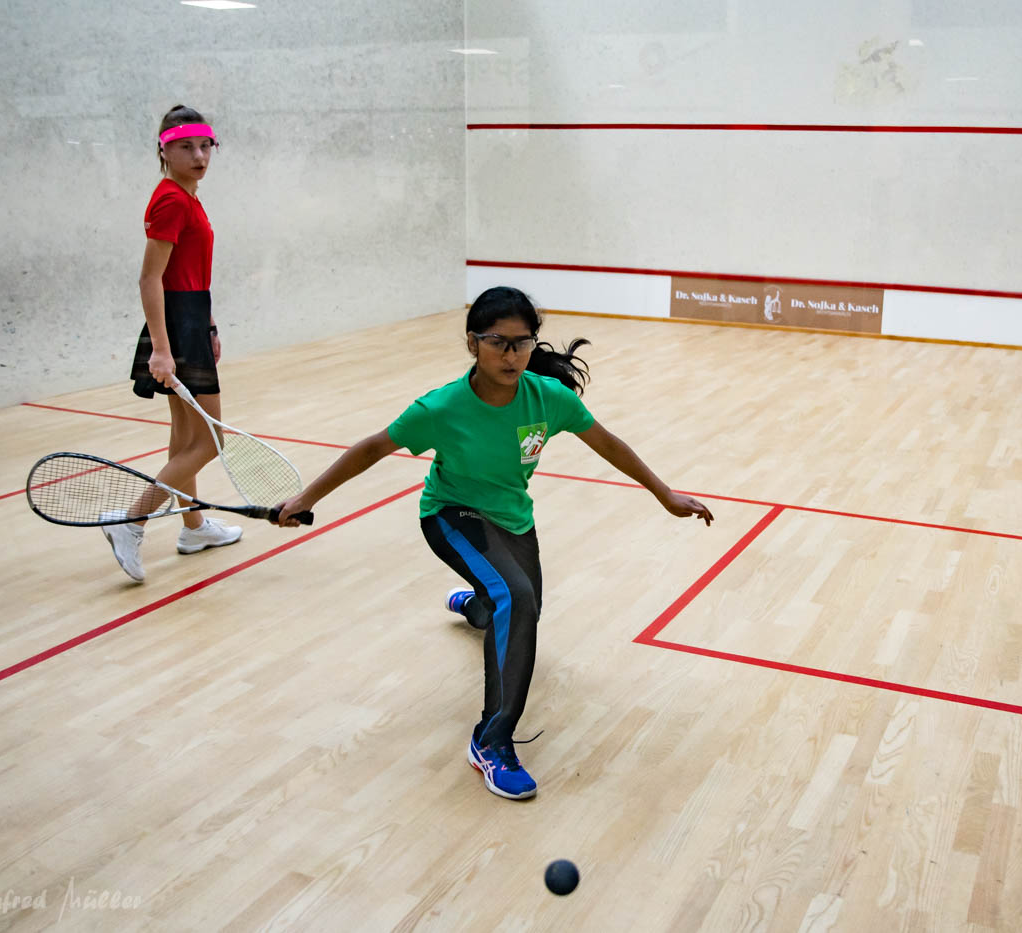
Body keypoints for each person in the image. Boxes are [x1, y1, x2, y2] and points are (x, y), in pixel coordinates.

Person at [275, 286, 714, 799]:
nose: (511, 355)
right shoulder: (441, 408)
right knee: (517, 598)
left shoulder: (549, 399)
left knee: (519, 608)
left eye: (522, 343)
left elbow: (609, 444)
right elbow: (373, 447)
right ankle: (491, 740)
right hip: (451, 514)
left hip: (513, 519)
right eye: (497, 343)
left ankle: (477, 606)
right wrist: (305, 498)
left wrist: (664, 494)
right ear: (472, 343)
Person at [102, 105, 242, 583]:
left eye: (205, 146)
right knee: (210, 441)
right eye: (186, 147)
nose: (199, 156)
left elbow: (191, 272)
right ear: (164, 150)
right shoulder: (172, 201)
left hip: (190, 319)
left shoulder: (187, 196)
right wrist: (162, 349)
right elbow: (150, 279)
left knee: (185, 438)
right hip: (176, 326)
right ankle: (131, 520)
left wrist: (209, 324)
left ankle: (195, 527)